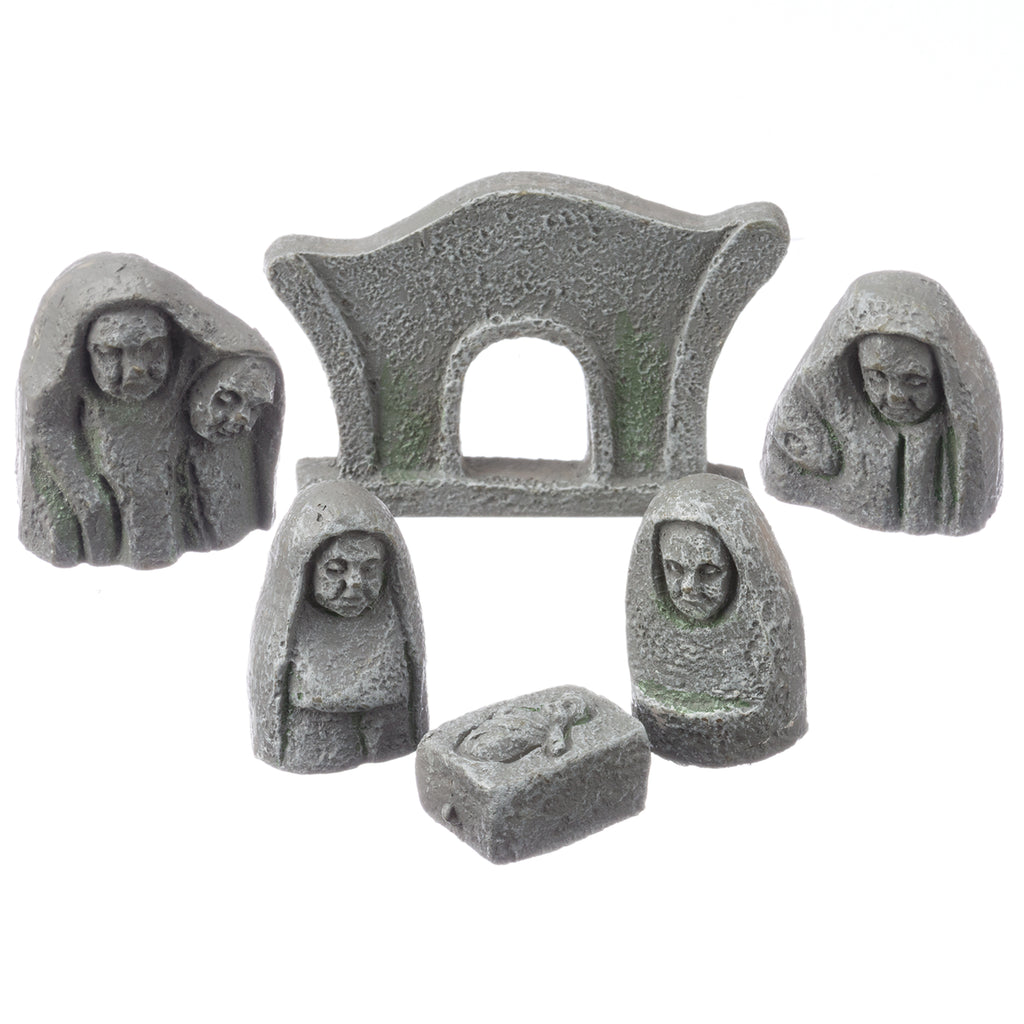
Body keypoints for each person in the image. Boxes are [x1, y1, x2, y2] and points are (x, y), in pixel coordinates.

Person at [18, 253, 283, 567]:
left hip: (173, 496)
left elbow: (249, 362)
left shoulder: (195, 371)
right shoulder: (64, 386)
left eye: (152, 348)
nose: (135, 370)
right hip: (100, 494)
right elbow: (48, 425)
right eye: (111, 352)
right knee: (65, 535)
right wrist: (85, 493)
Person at [762, 271, 1002, 535]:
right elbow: (782, 474)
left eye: (915, 380)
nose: (895, 396)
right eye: (876, 377)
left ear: (945, 377)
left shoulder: (957, 439)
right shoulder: (816, 421)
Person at [249, 480, 427, 774]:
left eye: (369, 568)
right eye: (335, 569)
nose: (355, 583)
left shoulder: (394, 628)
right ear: (305, 569)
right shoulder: (292, 636)